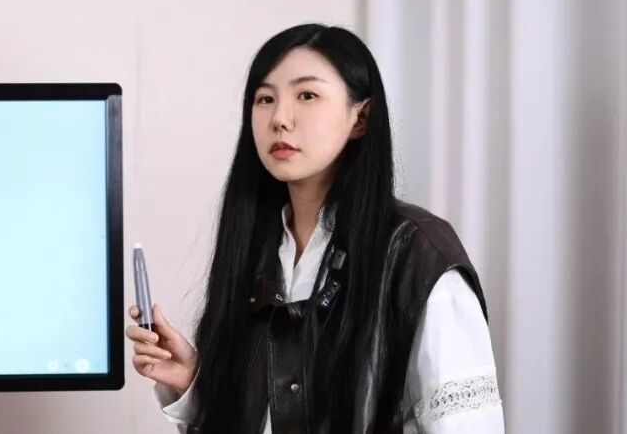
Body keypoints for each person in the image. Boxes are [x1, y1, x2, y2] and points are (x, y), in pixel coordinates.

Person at [126, 23, 504, 433]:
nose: (279, 119)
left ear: (360, 117)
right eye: (265, 99)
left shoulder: (415, 253)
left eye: (307, 95)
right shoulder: (255, 251)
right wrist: (193, 385)